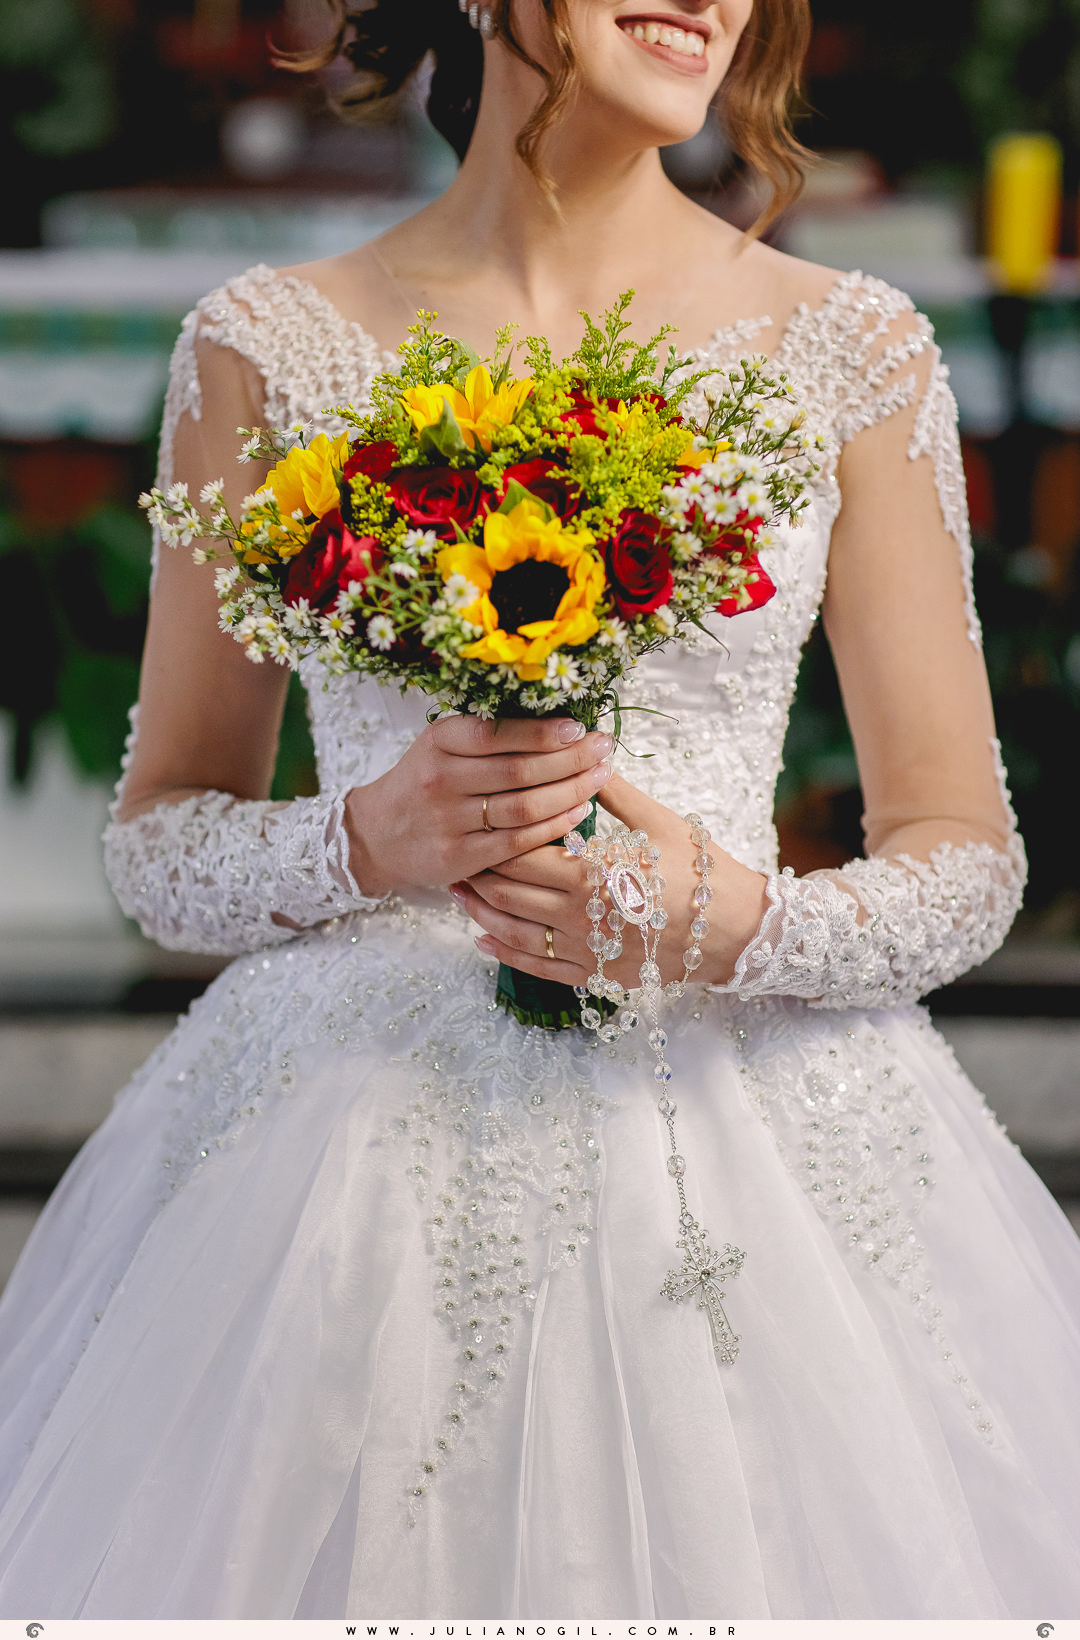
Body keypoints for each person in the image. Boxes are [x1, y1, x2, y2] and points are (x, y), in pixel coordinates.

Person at [1, 0, 1078, 1619]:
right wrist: (362, 839)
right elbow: (163, 842)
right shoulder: (267, 342)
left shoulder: (848, 347)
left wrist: (744, 918)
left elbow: (966, 853)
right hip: (338, 1169)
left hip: (754, 1146)